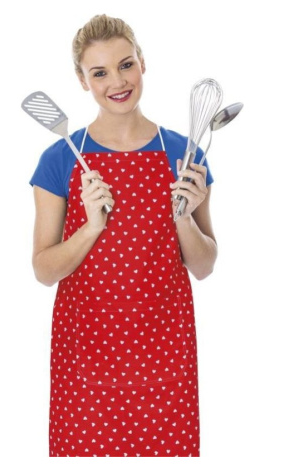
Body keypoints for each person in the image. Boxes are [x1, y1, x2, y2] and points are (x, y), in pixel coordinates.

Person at [29, 14, 218, 457]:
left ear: (142, 63)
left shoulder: (183, 153)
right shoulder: (60, 159)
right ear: (83, 81)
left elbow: (205, 266)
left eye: (126, 64)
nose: (117, 81)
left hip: (165, 358)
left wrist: (183, 218)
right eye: (99, 72)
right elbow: (43, 270)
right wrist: (91, 227)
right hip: (86, 360)